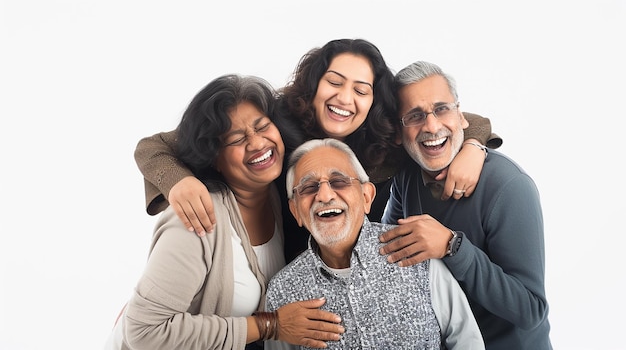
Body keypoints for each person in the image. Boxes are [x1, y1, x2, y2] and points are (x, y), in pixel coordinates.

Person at [134, 38, 502, 262]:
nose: (344, 99)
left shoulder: (387, 136)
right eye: (334, 82)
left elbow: (464, 119)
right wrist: (178, 181)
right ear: (314, 83)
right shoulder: (273, 118)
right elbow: (154, 147)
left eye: (361, 90)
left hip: (357, 279)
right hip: (268, 272)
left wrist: (472, 145)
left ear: (375, 101)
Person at [105, 74, 344, 350]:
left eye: (262, 127)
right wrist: (271, 325)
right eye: (236, 139)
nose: (256, 144)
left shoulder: (277, 196)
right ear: (214, 159)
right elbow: (144, 330)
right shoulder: (196, 220)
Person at [379, 61, 552, 349]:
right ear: (399, 131)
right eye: (415, 116)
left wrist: (452, 245)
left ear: (461, 115)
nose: (431, 126)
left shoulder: (510, 187)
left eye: (442, 109)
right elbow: (389, 249)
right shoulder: (407, 175)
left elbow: (531, 310)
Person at [263, 138, 484, 350]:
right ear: (295, 211)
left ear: (367, 197)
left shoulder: (414, 249)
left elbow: (467, 340)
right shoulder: (282, 292)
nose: (324, 195)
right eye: (309, 187)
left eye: (339, 181)